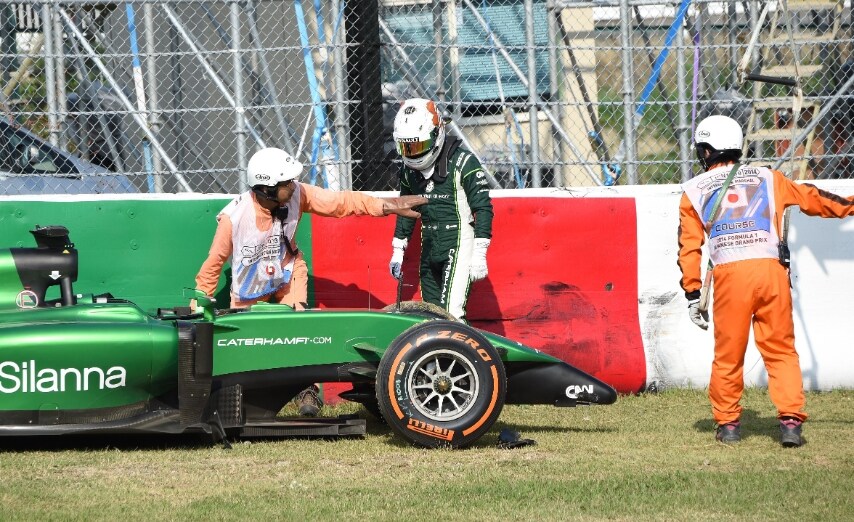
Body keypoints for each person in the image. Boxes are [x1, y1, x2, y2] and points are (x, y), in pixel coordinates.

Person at [195, 147, 426, 415]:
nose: (294, 186)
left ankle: (308, 391)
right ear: (267, 189)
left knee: (299, 330)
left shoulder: (298, 194)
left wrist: (384, 206)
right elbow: (213, 264)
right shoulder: (233, 218)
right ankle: (248, 402)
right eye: (287, 183)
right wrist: (199, 309)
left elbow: (340, 202)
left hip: (288, 273)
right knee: (249, 343)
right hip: (249, 288)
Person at [677, 115, 854, 447]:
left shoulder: (693, 191)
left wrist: (692, 292)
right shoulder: (769, 177)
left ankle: (729, 426)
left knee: (728, 354)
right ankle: (790, 423)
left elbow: (689, 247)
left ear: (707, 150)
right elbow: (813, 199)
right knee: (781, 350)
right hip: (772, 272)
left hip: (730, 277)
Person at [388, 98, 493, 321]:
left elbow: (483, 208)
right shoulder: (408, 171)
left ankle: (463, 343)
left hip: (458, 241)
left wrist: (480, 253)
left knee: (452, 313)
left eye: (418, 145)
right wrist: (398, 249)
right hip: (429, 243)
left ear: (437, 134)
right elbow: (406, 208)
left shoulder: (464, 162)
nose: (412, 153)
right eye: (407, 147)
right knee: (431, 316)